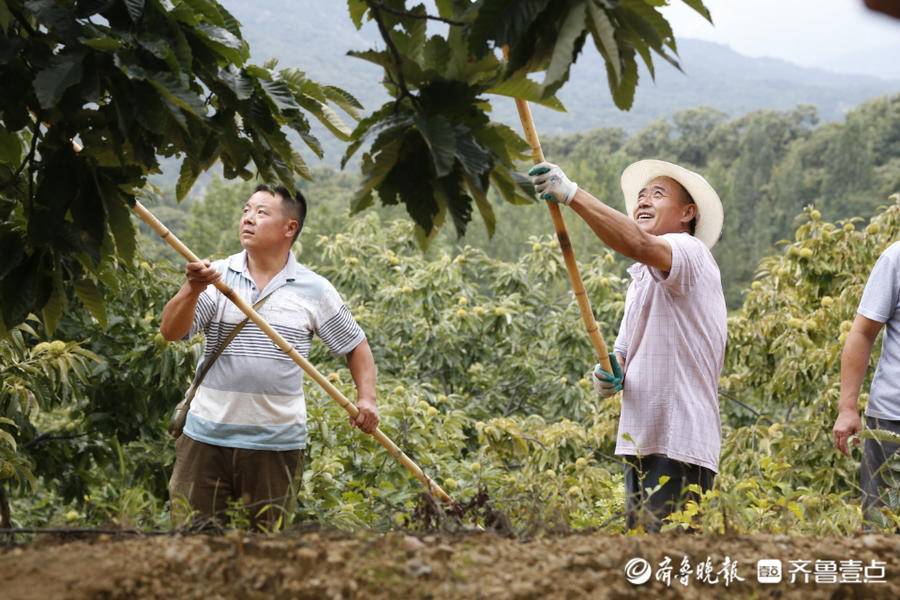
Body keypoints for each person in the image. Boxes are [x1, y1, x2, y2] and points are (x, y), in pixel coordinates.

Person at [160, 184, 378, 531]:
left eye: (261, 213)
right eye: (247, 210)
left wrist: (367, 399)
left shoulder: (314, 289)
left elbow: (356, 346)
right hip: (205, 438)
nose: (248, 218)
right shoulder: (215, 276)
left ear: (289, 228)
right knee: (193, 543)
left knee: (263, 548)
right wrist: (192, 288)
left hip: (275, 444)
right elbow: (171, 332)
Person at [528, 160, 727, 532]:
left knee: (671, 560)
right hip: (642, 440)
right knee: (645, 559)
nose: (644, 201)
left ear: (688, 212)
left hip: (678, 438)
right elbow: (621, 354)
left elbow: (636, 243)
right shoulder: (641, 280)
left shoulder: (690, 251)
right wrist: (609, 372)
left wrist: (571, 194)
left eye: (658, 194)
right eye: (641, 196)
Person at [832, 243, 900, 527]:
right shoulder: (896, 258)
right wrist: (848, 407)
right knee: (882, 530)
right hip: (892, 422)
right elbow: (862, 332)